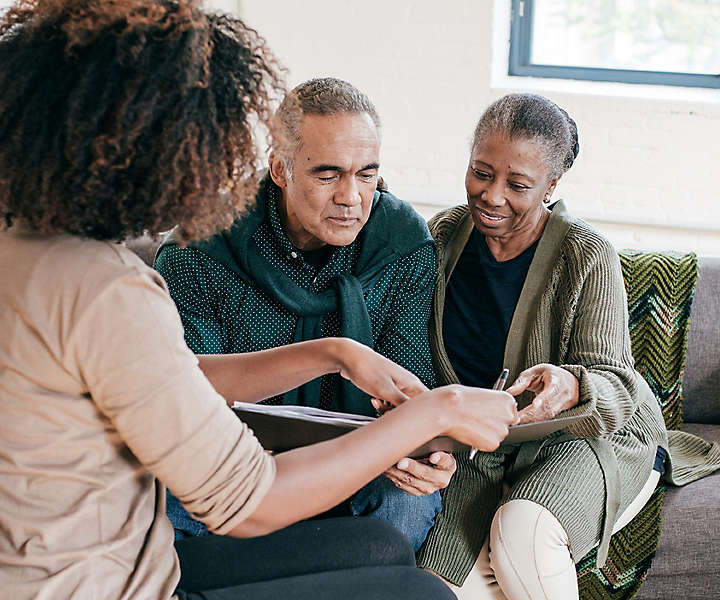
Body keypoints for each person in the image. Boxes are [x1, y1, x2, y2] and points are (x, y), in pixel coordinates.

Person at [0, 1, 519, 599]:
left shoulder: (35, 251)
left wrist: (336, 352)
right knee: (423, 594)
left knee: (380, 546)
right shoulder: (108, 290)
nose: (211, 159)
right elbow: (246, 503)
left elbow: (179, 377)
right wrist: (437, 411)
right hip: (112, 585)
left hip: (104, 559)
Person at [154, 77, 454, 550]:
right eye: (328, 174)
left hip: (356, 465)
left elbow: (410, 383)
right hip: (235, 462)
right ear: (280, 168)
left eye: (367, 174)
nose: (352, 197)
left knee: (409, 501)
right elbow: (188, 397)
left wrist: (424, 456)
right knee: (159, 499)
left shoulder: (402, 243)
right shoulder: (201, 247)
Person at [414, 94, 675, 600]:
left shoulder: (585, 254)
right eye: (480, 172)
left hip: (588, 435)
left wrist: (573, 383)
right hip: (483, 447)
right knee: (437, 588)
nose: (491, 196)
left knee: (523, 536)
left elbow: (618, 385)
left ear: (552, 186)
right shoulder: (442, 237)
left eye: (516, 185)